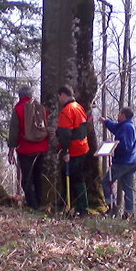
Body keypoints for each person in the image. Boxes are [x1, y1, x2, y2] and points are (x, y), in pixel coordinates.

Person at [7, 86, 49, 210]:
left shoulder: (18, 109)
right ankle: (40, 202)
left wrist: (11, 150)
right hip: (42, 147)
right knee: (38, 176)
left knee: (27, 178)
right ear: (31, 96)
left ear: (20, 96)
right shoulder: (40, 108)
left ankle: (33, 205)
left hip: (25, 149)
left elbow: (14, 131)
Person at [99, 107, 136, 218]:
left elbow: (125, 146)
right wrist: (105, 122)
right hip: (130, 162)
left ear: (123, 115)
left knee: (106, 182)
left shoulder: (127, 127)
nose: (117, 116)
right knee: (128, 188)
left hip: (123, 162)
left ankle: (111, 207)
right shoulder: (125, 125)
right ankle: (129, 212)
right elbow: (115, 127)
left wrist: (113, 149)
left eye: (119, 114)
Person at [56, 85, 89, 216]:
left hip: (74, 150)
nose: (59, 100)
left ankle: (81, 208)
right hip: (83, 147)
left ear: (63, 95)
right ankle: (75, 206)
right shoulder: (79, 107)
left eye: (59, 97)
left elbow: (65, 134)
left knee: (75, 179)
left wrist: (65, 151)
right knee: (74, 176)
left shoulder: (67, 111)